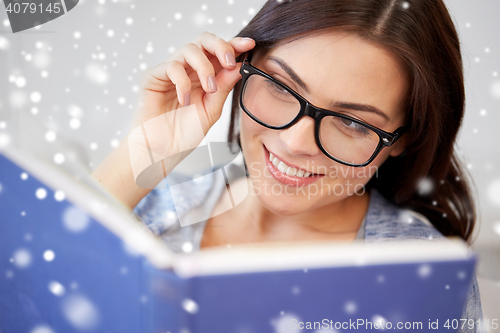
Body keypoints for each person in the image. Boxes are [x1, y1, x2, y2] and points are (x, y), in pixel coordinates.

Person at [91, 0, 484, 330]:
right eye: (280, 86)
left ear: (403, 140)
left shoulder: (421, 279)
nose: (295, 142)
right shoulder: (144, 210)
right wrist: (140, 155)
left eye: (351, 122)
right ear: (242, 66)